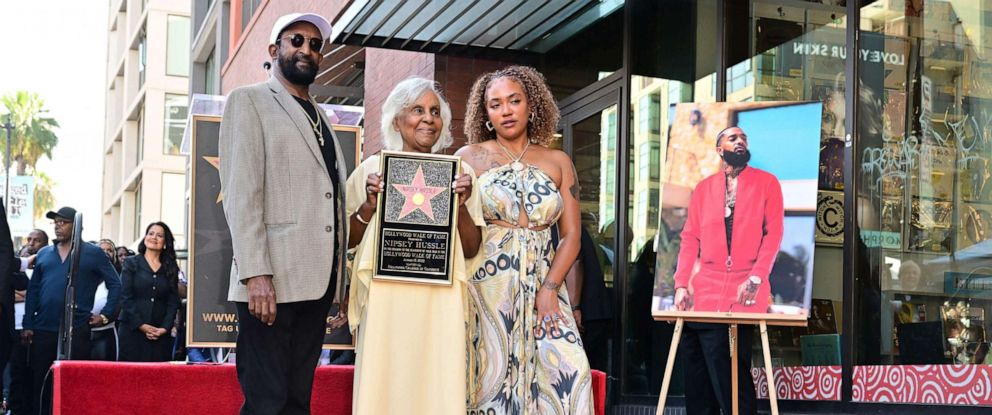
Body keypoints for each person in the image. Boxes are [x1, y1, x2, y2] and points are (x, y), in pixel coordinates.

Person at [218, 12, 347, 414]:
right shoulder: (249, 100)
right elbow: (242, 193)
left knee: (296, 401)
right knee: (266, 400)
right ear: (274, 50)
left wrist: (338, 281)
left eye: (314, 44)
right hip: (270, 282)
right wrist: (256, 273)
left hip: (314, 282)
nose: (306, 49)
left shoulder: (321, 116)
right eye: (296, 41)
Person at [458, 65, 593, 414]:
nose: (505, 110)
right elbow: (461, 232)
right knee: (488, 379)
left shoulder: (557, 160)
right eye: (495, 104)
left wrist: (549, 291)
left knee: (572, 373)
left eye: (514, 100)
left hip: (545, 284)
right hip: (487, 287)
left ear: (530, 105)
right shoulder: (468, 158)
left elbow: (572, 236)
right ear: (485, 113)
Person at [346, 77, 483, 414]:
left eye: (435, 112)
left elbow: (471, 249)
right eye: (417, 110)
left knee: (438, 385)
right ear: (397, 120)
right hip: (387, 300)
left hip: (440, 300)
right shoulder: (370, 171)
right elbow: (346, 242)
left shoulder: (460, 174)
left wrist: (461, 204)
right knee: (384, 384)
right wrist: (368, 205)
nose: (428, 118)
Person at [672, 126, 784, 415]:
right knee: (696, 381)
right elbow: (689, 238)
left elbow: (773, 234)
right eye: (732, 138)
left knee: (729, 376)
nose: (740, 141)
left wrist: (757, 277)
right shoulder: (704, 188)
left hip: (744, 290)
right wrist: (681, 284)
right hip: (704, 294)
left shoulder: (767, 183)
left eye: (744, 137)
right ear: (719, 148)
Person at [22, 207, 121, 415]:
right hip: (44, 328)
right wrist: (28, 323)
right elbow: (33, 290)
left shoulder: (93, 254)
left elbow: (116, 284)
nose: (58, 226)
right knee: (40, 382)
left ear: (76, 226)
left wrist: (105, 315)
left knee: (74, 382)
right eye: (56, 222)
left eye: (63, 222)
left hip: (76, 329)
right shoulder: (45, 254)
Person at [118, 222, 181, 362]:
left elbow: (173, 300)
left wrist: (164, 328)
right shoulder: (130, 263)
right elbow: (125, 297)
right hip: (132, 330)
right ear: (145, 237)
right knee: (130, 378)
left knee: (157, 378)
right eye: (151, 233)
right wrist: (141, 325)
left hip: (160, 334)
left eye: (159, 235)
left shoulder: (170, 267)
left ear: (165, 242)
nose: (154, 237)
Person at [6, 229, 47, 414]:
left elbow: (42, 295)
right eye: (29, 240)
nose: (31, 244)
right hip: (15, 328)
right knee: (16, 373)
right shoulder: (14, 270)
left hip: (39, 329)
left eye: (36, 241)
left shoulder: (46, 269)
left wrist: (26, 295)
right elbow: (7, 293)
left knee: (35, 374)